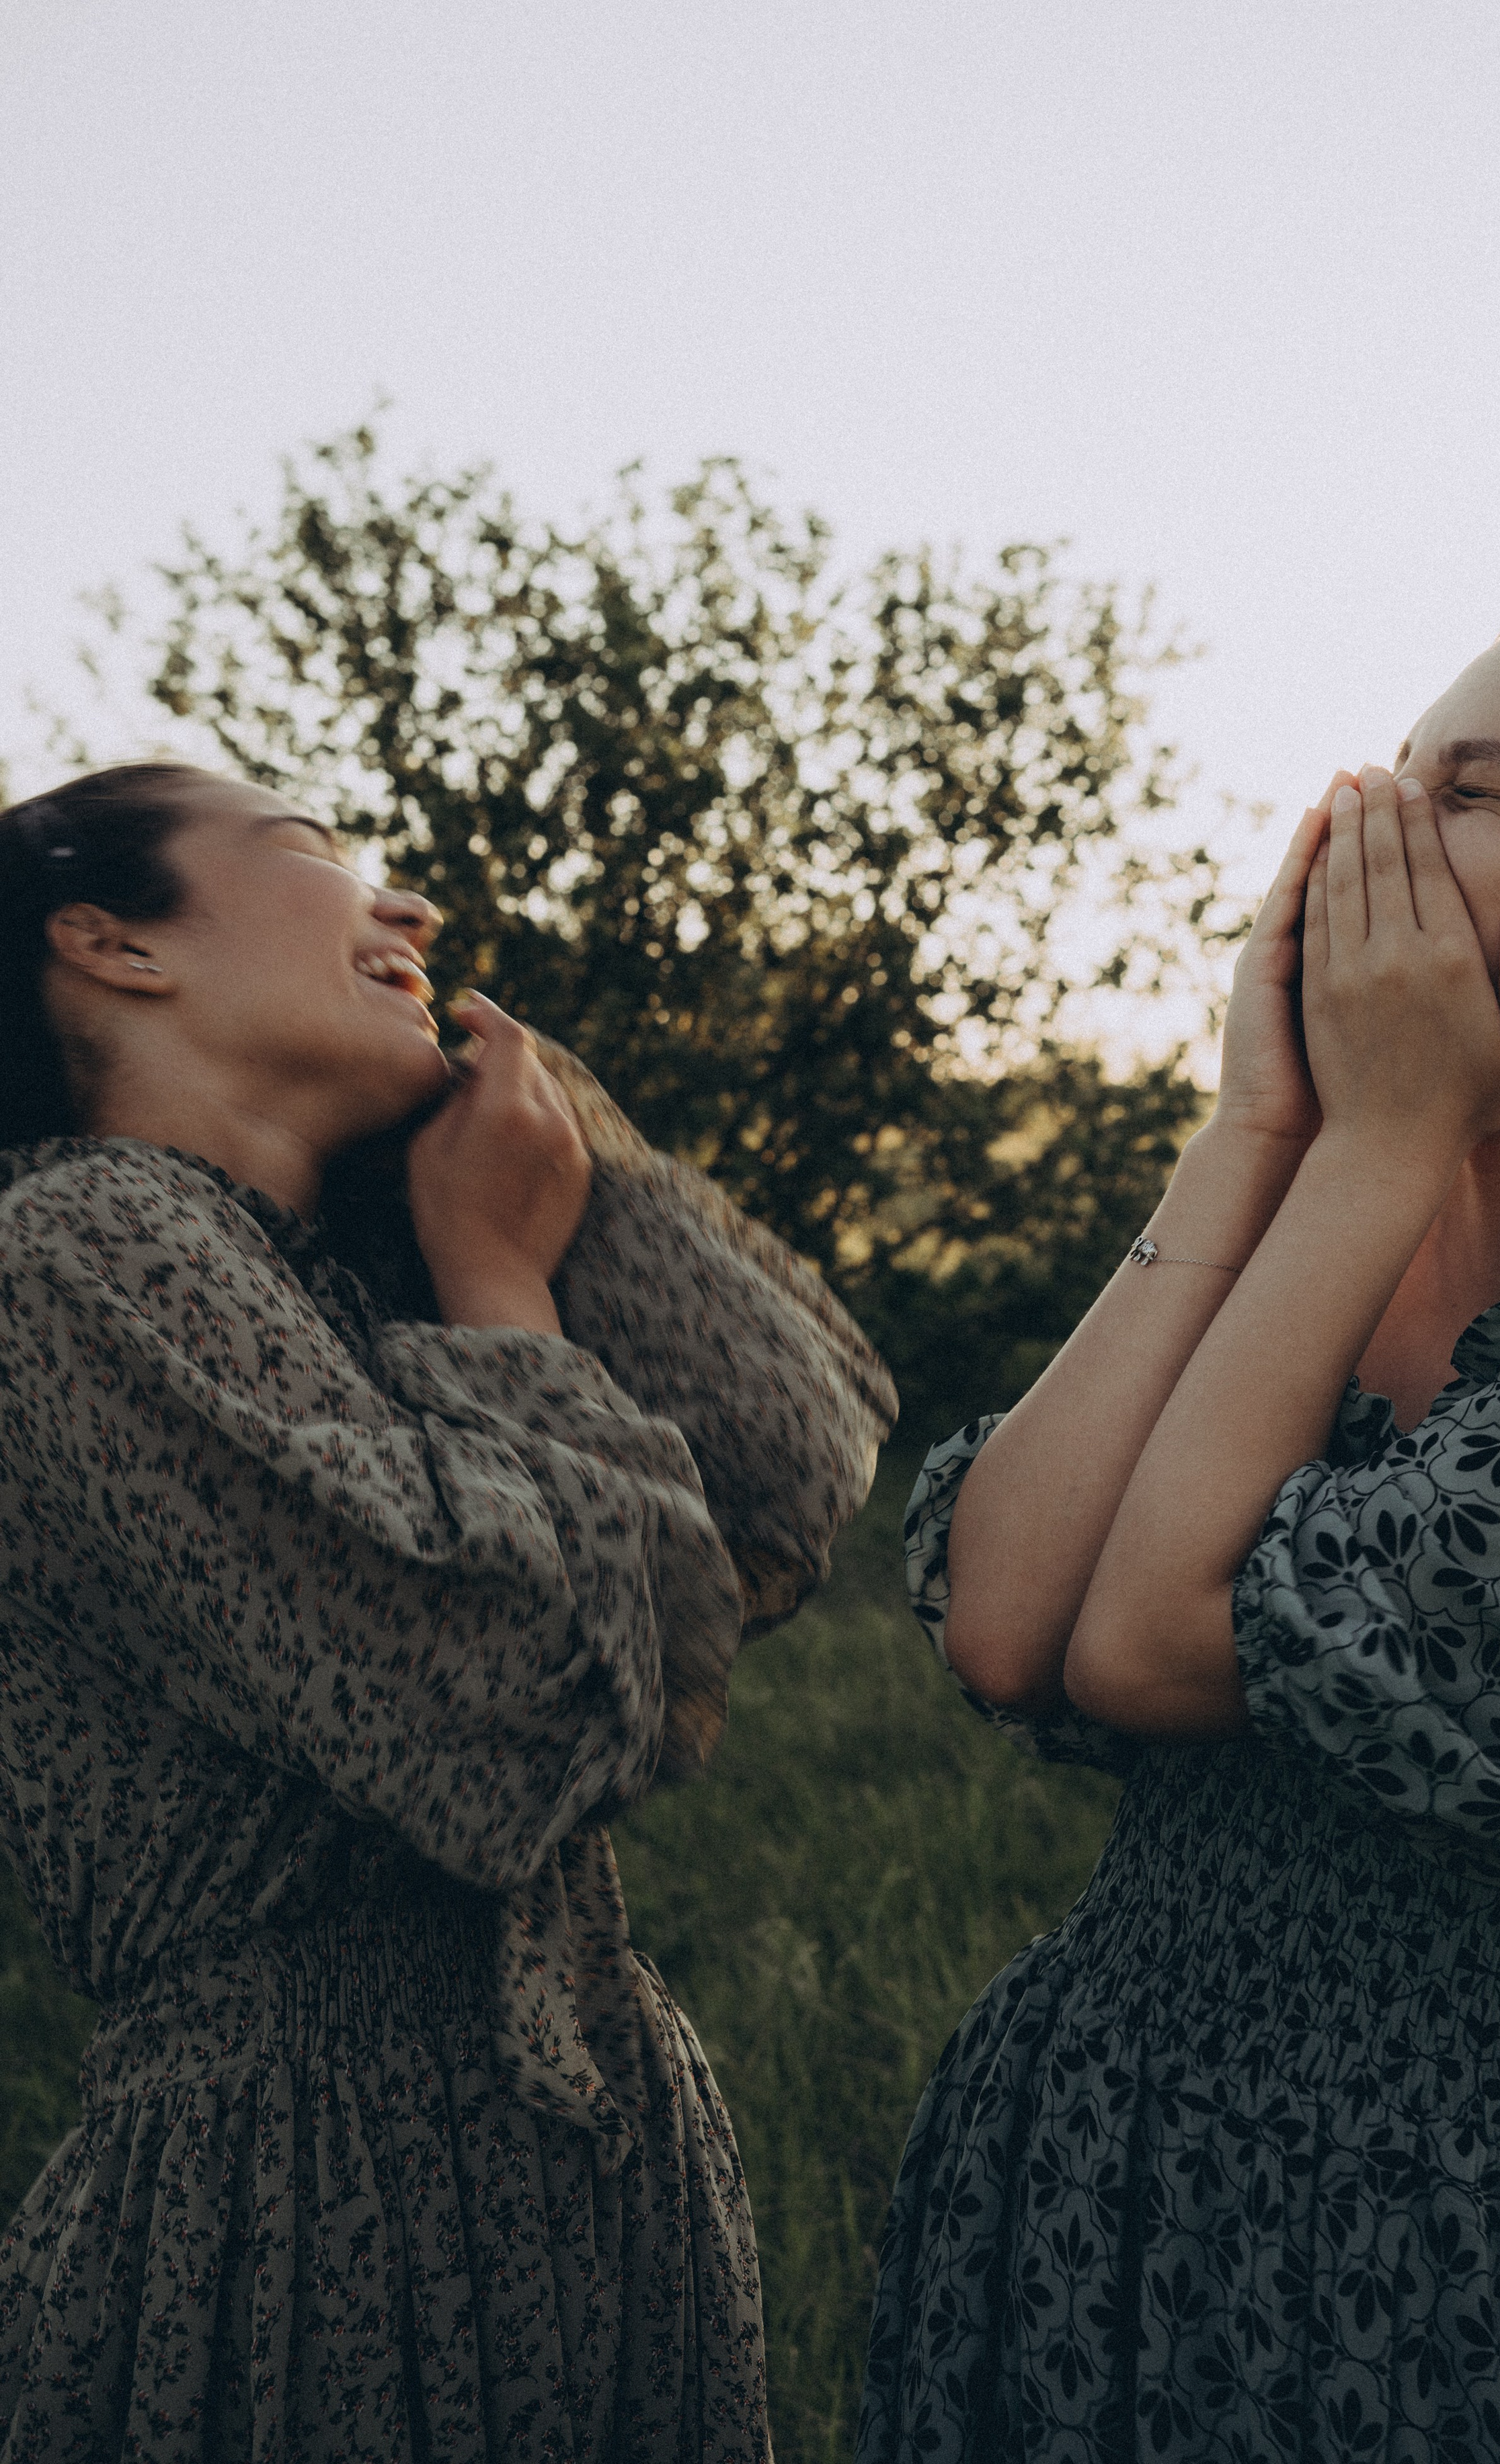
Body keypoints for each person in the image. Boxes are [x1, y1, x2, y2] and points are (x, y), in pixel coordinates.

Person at [859, 580, 1500, 2463]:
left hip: (1386, 2289)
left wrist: (1379, 1143)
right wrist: (1260, 1128)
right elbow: (1006, 1623)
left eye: (1470, 793)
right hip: (1060, 2174)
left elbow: (1151, 1644)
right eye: (1389, 775)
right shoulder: (1344, 1230)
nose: (1370, 830)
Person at [0, 762, 896, 2464]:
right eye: (313, 853)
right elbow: (506, 1696)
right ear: (111, 944)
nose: (404, 908)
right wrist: (498, 1286)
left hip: (579, 2162)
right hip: (304, 2193)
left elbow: (787, 1476)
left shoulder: (327, 1273)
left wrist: (554, 1152)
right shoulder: (73, 1251)